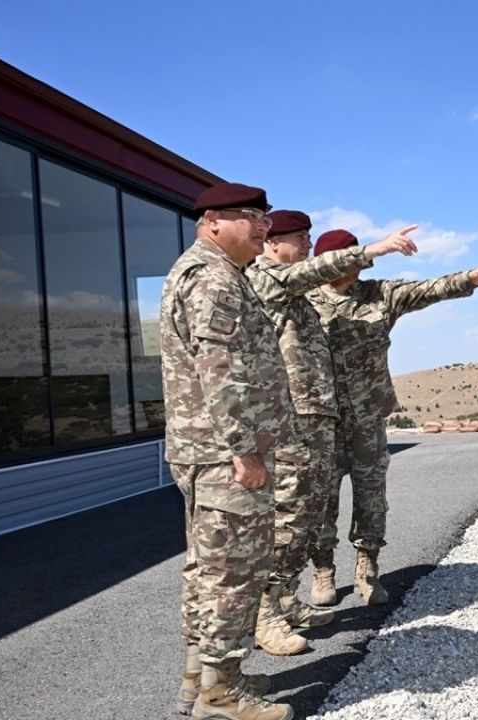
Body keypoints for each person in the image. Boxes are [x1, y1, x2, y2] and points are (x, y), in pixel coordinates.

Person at [243, 210, 417, 655]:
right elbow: (317, 269)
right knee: (291, 515)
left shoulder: (297, 286)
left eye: (307, 237)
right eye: (299, 238)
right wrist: (374, 249)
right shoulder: (268, 279)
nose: (305, 243)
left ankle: (285, 600)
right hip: (294, 418)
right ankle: (268, 611)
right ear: (272, 243)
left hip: (320, 417)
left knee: (310, 509)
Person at [306, 228, 478, 605]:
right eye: (349, 256)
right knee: (320, 497)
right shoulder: (302, 299)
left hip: (368, 414)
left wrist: (469, 279)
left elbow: (426, 290)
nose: (359, 264)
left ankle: (367, 567)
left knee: (371, 495)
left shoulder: (378, 294)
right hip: (320, 418)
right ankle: (322, 569)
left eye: (359, 256)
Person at [160, 182, 294, 719]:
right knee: (234, 572)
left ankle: (200, 677)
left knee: (209, 568)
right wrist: (245, 450)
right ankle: (222, 695)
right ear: (212, 220)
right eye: (250, 216)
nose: (262, 225)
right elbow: (219, 373)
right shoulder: (213, 279)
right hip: (225, 456)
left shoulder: (214, 273)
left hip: (208, 450)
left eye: (264, 217)